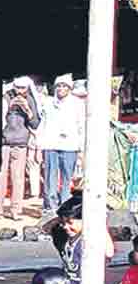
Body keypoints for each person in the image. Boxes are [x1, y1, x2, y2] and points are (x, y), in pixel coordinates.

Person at [38, 75, 83, 212]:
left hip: (70, 145)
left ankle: (64, 206)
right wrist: (39, 145)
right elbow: (42, 124)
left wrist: (81, 147)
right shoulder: (48, 102)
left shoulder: (77, 103)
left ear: (69, 88)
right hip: (50, 144)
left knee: (67, 178)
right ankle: (51, 207)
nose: (61, 89)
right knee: (50, 177)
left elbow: (81, 126)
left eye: (64, 86)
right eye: (58, 86)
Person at [0, 77, 41, 219]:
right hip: (4, 141)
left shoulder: (30, 99)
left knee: (18, 177)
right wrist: (8, 108)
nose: (20, 91)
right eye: (17, 87)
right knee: (0, 176)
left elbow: (35, 124)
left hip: (21, 142)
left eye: (23, 88)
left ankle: (16, 210)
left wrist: (27, 109)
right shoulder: (6, 97)